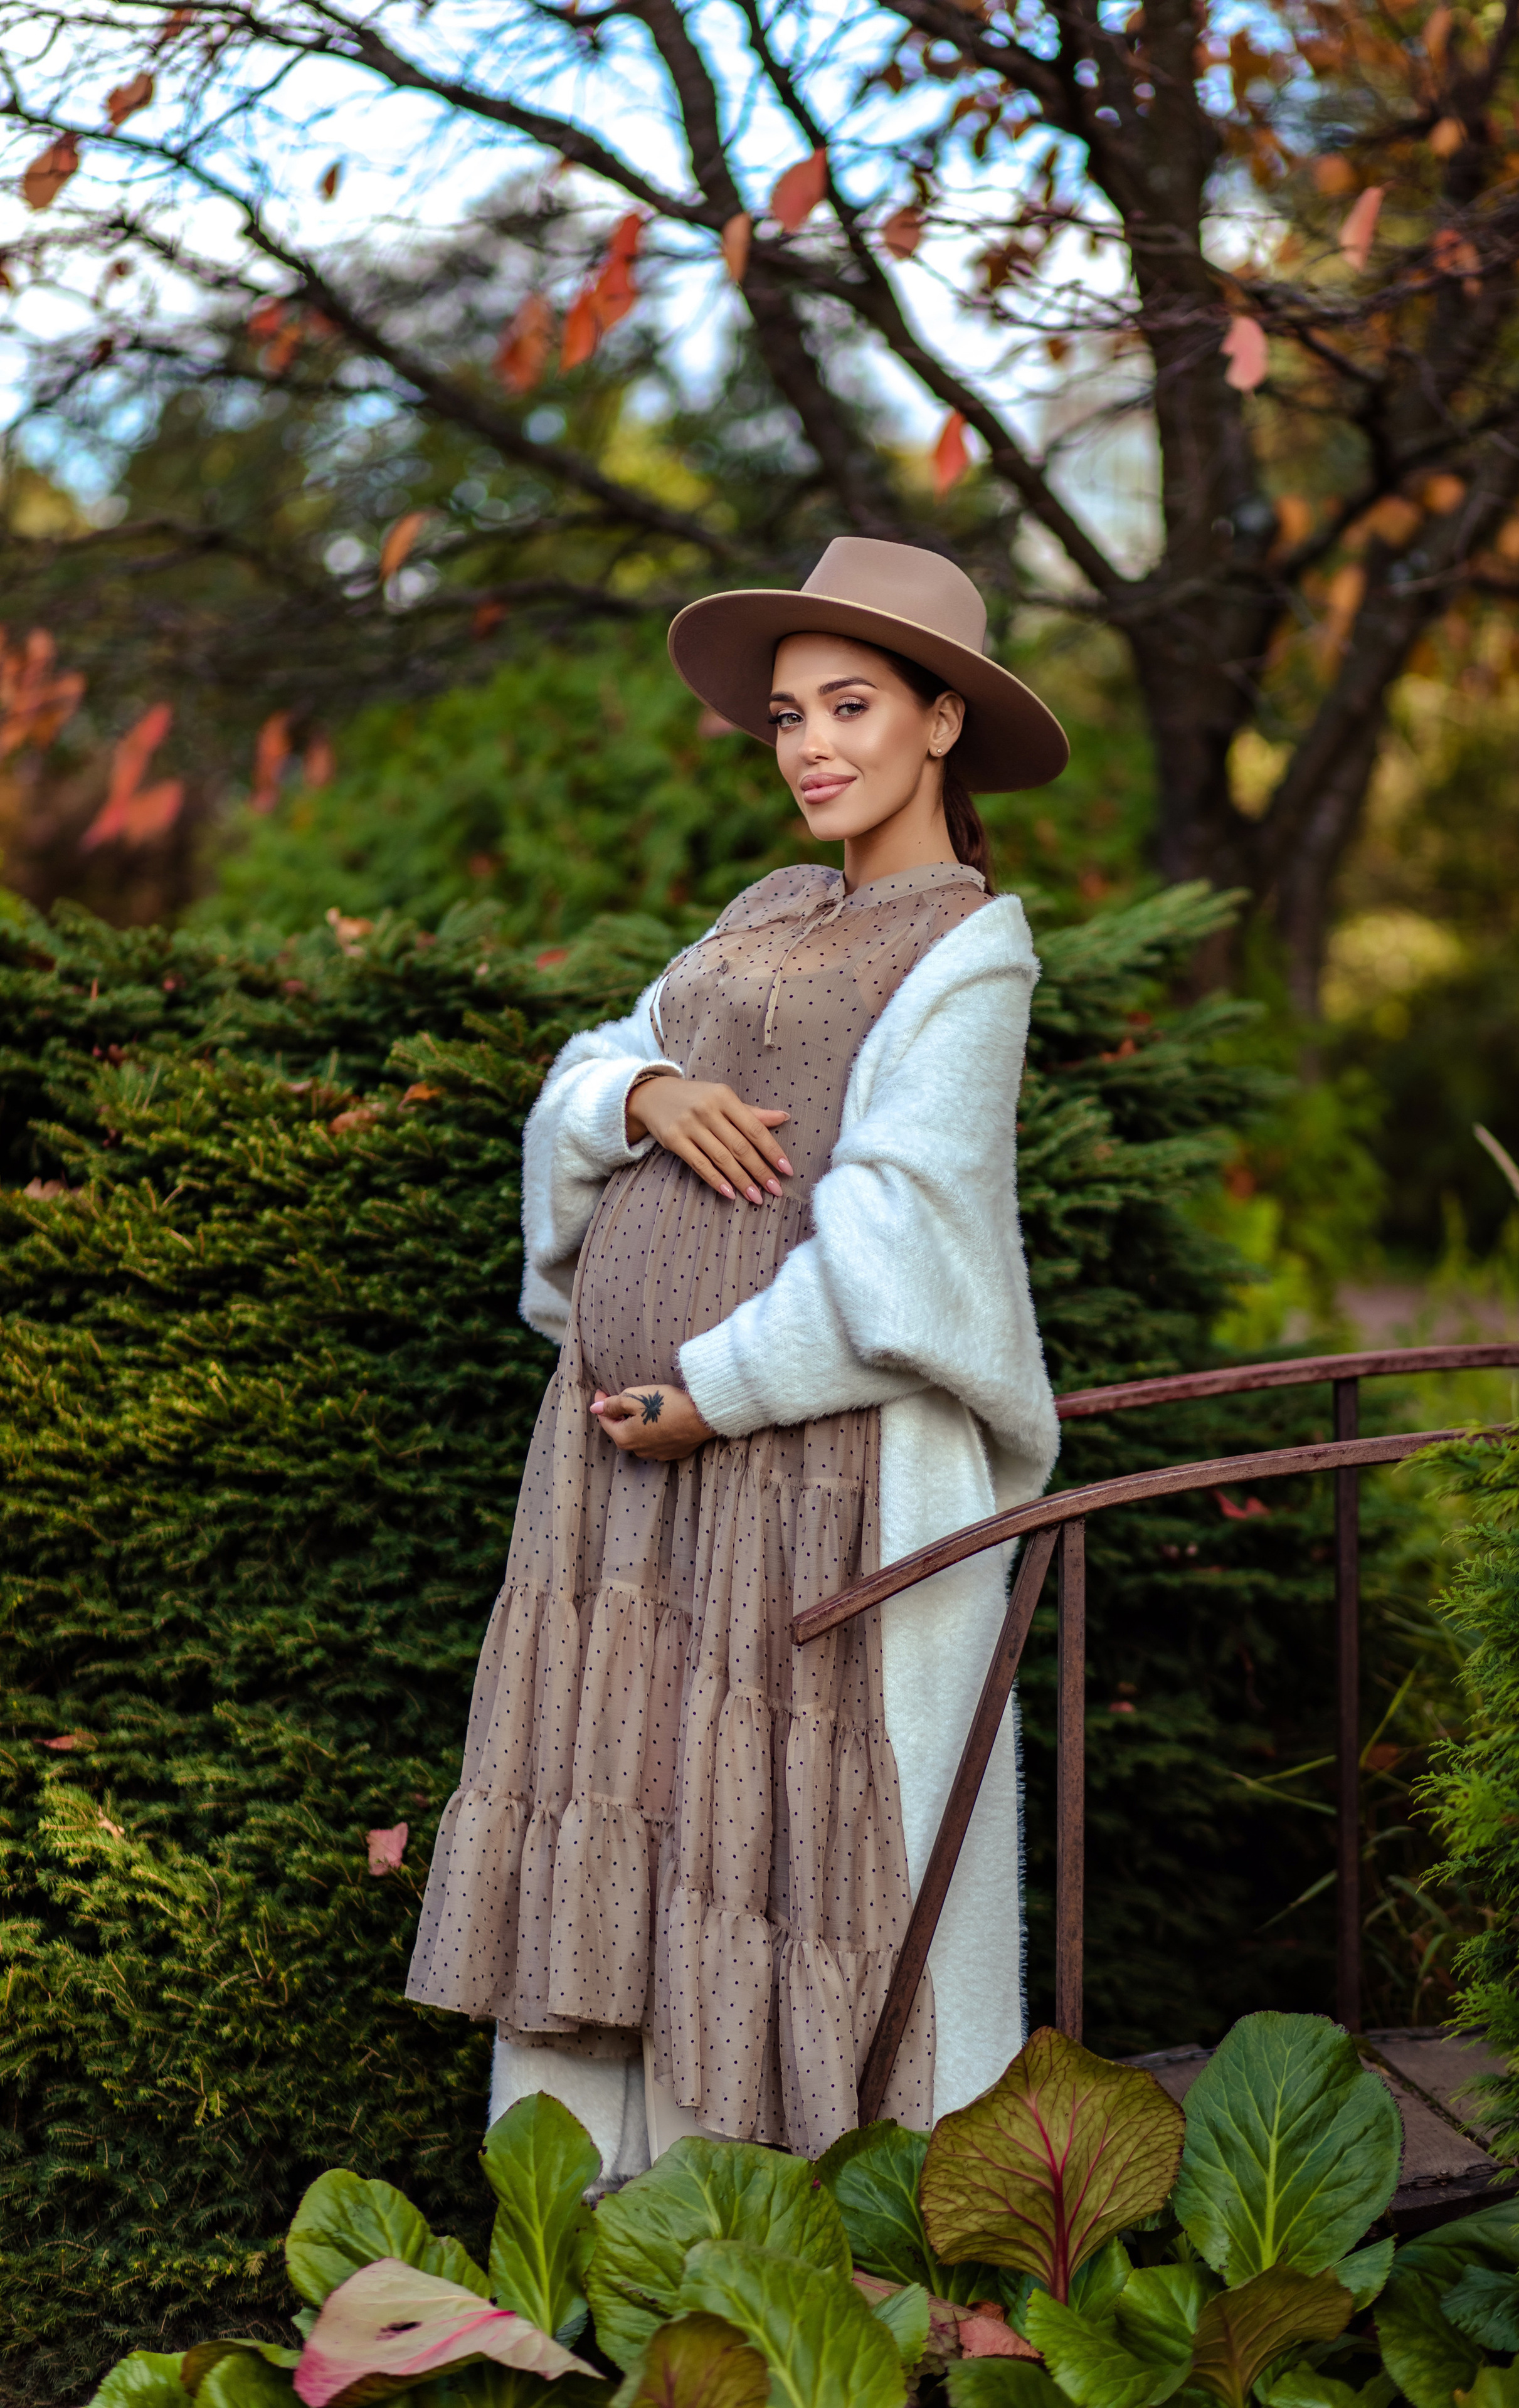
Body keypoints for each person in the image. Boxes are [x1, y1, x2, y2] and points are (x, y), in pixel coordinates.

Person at [406, 537, 1066, 2179]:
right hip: (628, 1494)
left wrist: (723, 1388)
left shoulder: (969, 949)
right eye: (785, 718)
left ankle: (793, 2254)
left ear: (938, 722)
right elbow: (592, 1066)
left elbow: (908, 1232)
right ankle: (613, 2255)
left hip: (804, 1472)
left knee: (785, 1847)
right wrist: (637, 1101)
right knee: (642, 1797)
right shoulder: (763, 909)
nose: (812, 748)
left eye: (851, 706)